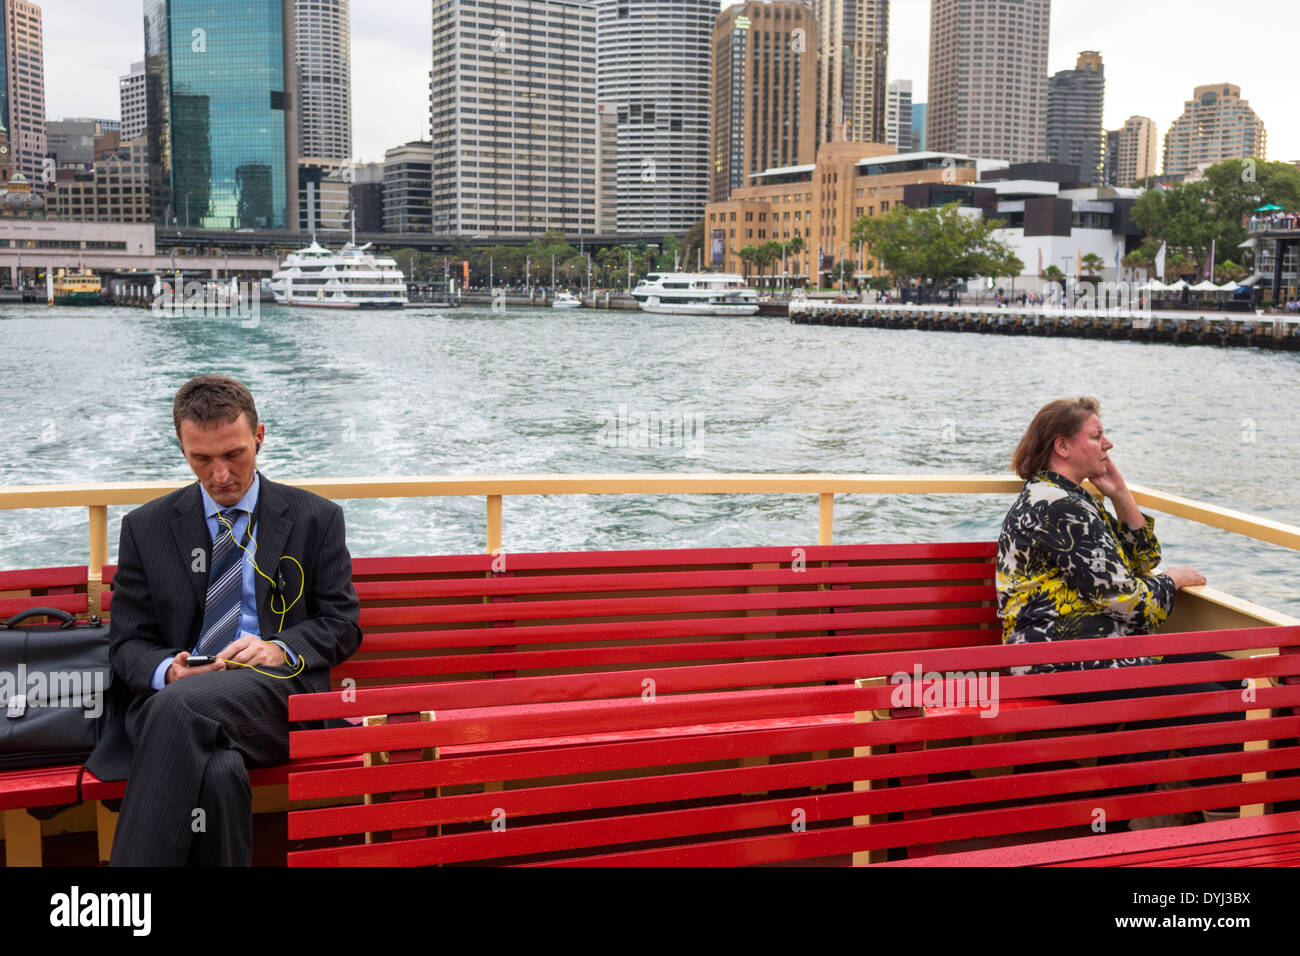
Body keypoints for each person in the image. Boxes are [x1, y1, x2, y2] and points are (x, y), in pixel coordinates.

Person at [86, 374, 362, 865]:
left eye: (234, 454)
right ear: (182, 447)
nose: (220, 475)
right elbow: (127, 645)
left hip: (279, 697)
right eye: (202, 459)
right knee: (214, 772)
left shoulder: (315, 517)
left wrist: (278, 649)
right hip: (185, 701)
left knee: (176, 709)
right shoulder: (145, 528)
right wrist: (169, 671)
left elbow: (342, 623)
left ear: (259, 436)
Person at [997, 397, 1245, 827]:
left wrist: (1121, 495)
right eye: (1096, 436)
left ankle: (1131, 808)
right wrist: (1174, 581)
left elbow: (1139, 563)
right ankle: (1184, 819)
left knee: (1233, 674)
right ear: (1063, 446)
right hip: (1053, 656)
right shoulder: (1060, 508)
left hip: (1096, 649)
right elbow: (1131, 605)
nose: (1107, 444)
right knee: (1216, 700)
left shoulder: (1073, 498)